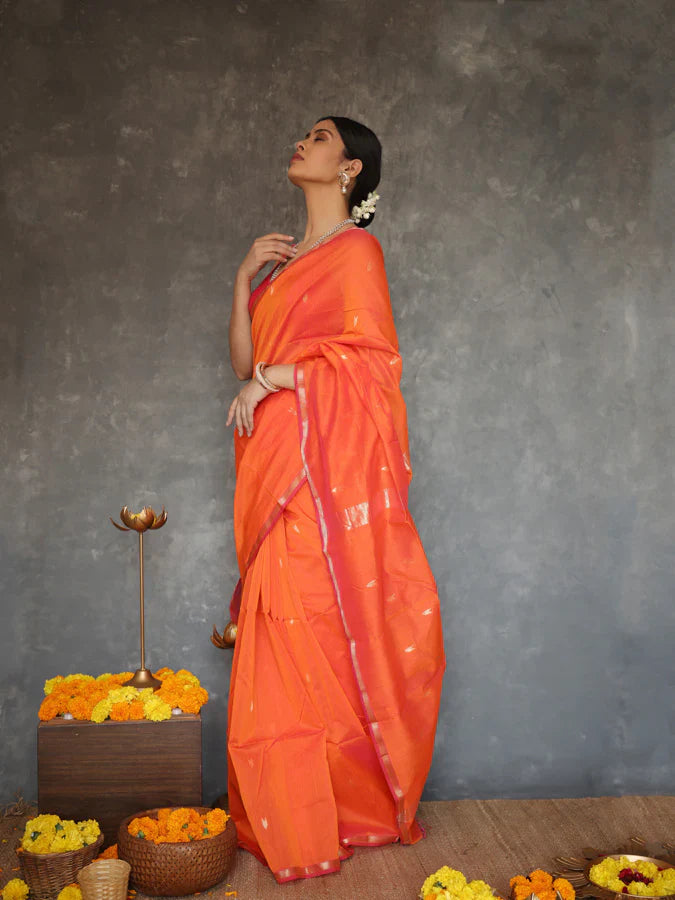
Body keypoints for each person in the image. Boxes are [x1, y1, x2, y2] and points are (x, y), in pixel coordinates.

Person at [220, 115, 446, 883]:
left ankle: (339, 807)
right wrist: (243, 278)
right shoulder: (284, 264)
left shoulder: (357, 251)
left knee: (312, 622)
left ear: (349, 169)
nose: (300, 142)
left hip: (318, 464)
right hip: (270, 455)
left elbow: (372, 366)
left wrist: (277, 380)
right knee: (275, 625)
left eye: (318, 138)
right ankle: (287, 805)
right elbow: (244, 359)